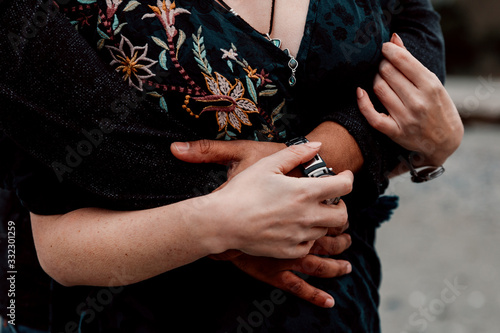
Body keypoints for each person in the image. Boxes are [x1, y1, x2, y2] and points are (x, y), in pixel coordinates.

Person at [0, 0, 463, 332]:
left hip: (337, 304)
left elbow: (419, 52)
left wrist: (359, 148)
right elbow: (56, 244)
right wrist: (220, 224)